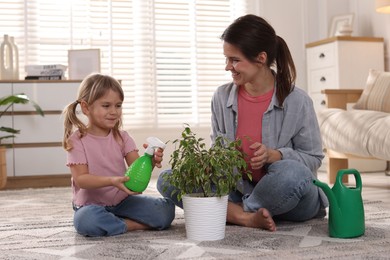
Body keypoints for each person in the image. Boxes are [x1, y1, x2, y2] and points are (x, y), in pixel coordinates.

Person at [157, 14, 328, 231]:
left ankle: (233, 212)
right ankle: (248, 217)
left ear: (261, 58)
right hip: (238, 189)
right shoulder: (221, 97)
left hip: (292, 199)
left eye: (235, 60)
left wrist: (275, 155)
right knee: (168, 179)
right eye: (227, 59)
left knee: (292, 173)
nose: (228, 67)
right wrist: (209, 164)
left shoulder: (298, 101)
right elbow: (219, 150)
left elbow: (312, 159)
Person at [63, 73, 175, 237]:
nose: (114, 112)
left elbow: (136, 173)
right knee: (85, 221)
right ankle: (129, 224)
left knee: (165, 211)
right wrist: (112, 181)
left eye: (118, 105)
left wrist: (150, 161)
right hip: (90, 205)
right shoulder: (77, 141)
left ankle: (112, 222)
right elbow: (82, 180)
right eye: (106, 105)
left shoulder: (122, 137)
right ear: (86, 108)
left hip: (123, 201)